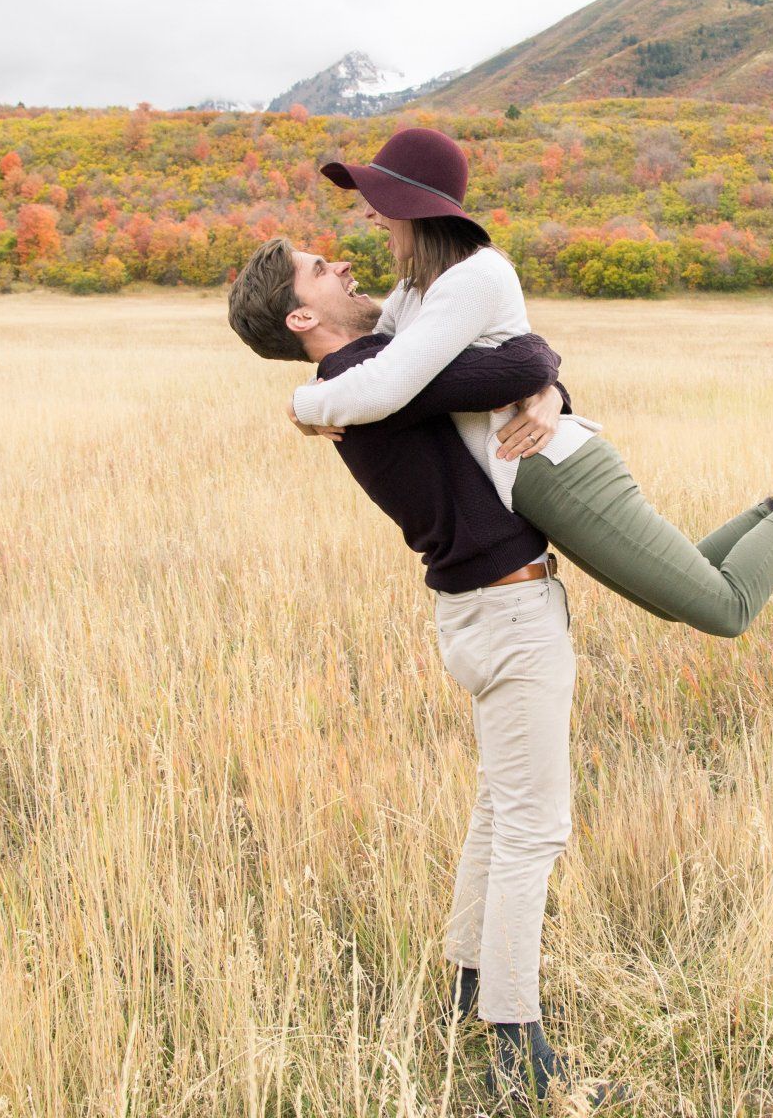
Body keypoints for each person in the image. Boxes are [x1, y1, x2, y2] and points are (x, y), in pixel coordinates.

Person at [225, 243, 623, 1106]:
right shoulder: (374, 375)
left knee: (500, 808)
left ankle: (469, 991)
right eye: (319, 268)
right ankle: (521, 1053)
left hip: (478, 611)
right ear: (302, 316)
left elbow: (516, 375)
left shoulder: (366, 378)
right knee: (533, 829)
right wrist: (545, 379)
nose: (342, 265)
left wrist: (545, 390)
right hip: (507, 613)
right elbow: (518, 360)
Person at [284, 126, 773, 638]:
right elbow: (387, 371)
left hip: (553, 470)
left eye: (376, 198)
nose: (368, 212)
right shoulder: (413, 293)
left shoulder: (475, 276)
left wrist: (303, 404)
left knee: (725, 609)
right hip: (532, 477)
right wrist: (546, 384)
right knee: (684, 590)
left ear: (412, 206)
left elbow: (386, 387)